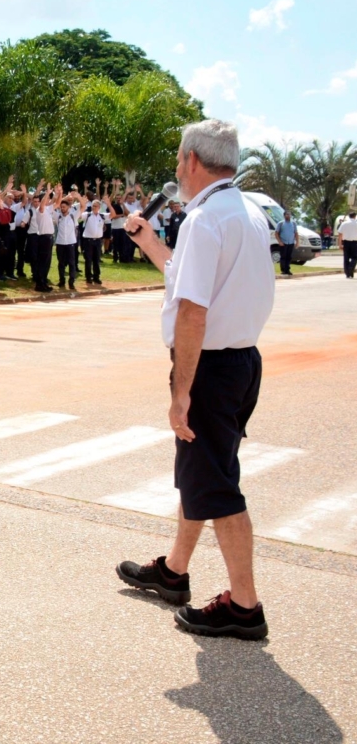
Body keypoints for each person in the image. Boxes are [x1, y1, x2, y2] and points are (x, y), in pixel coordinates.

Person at [117, 118, 274, 640]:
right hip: (242, 361)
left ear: (191, 161)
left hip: (211, 367)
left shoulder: (204, 220)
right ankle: (174, 572)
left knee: (216, 483)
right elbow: (185, 277)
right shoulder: (243, 211)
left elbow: (192, 311)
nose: (177, 169)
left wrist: (181, 391)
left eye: (179, 160)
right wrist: (146, 241)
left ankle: (244, 606)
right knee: (204, 471)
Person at [78, 197, 107, 286]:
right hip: (88, 240)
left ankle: (96, 277)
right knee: (88, 260)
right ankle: (88, 277)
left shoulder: (102, 216)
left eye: (96, 206)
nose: (94, 207)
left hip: (98, 241)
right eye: (93, 206)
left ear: (99, 207)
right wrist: (82, 204)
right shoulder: (88, 214)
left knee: (96, 260)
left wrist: (108, 204)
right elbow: (79, 216)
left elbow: (113, 215)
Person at [53, 192, 79, 290]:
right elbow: (51, 207)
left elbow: (83, 207)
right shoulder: (57, 216)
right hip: (60, 243)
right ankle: (61, 280)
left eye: (64, 207)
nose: (62, 208)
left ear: (68, 207)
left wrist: (78, 197)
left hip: (71, 243)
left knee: (72, 263)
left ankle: (71, 282)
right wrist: (59, 195)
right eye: (61, 207)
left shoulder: (73, 216)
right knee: (61, 263)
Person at [274, 210, 297, 276]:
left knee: (289, 257)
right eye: (287, 214)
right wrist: (279, 241)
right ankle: (283, 270)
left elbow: (296, 233)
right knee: (283, 257)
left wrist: (297, 242)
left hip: (291, 242)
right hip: (283, 243)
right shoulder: (280, 223)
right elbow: (276, 233)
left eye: (289, 214)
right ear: (284, 216)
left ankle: (288, 270)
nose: (288, 215)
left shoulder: (293, 223)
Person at [338, 212, 357, 279]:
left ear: (349, 216)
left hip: (346, 242)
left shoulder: (344, 223)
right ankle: (351, 268)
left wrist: (340, 244)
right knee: (355, 257)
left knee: (346, 258)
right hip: (355, 243)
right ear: (355, 216)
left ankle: (347, 273)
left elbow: (340, 234)